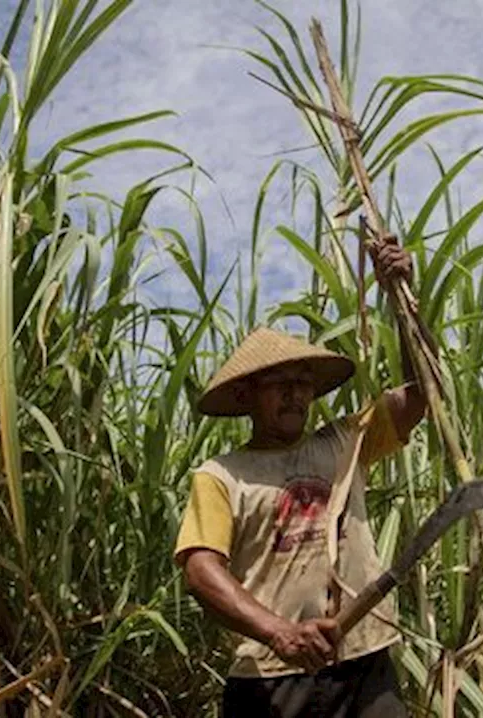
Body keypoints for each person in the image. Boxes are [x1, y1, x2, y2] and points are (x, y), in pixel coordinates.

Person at [173, 243, 426, 717]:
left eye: (303, 383)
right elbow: (201, 571)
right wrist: (279, 632)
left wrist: (402, 297)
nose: (295, 396)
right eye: (279, 384)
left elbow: (419, 394)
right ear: (247, 396)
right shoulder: (222, 476)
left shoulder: (344, 444)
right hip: (272, 678)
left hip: (364, 663)